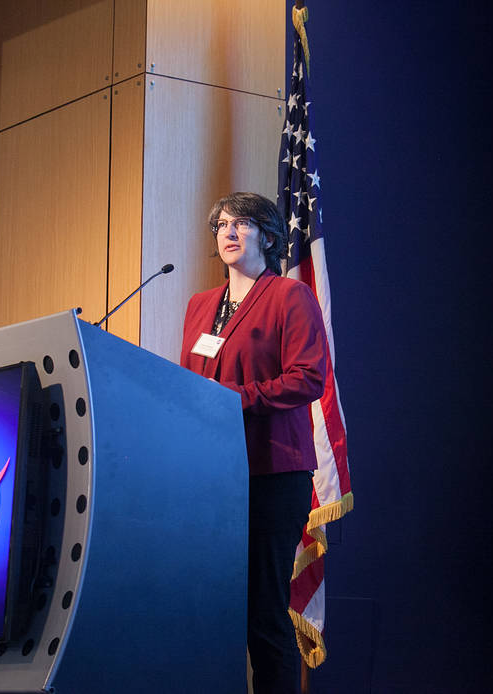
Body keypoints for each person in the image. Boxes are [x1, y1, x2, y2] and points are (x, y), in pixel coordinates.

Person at [180, 192, 328, 694]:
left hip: (272, 475)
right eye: (221, 223)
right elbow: (190, 385)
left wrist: (237, 399)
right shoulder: (200, 306)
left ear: (267, 234)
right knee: (215, 611)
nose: (228, 231)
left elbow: (310, 377)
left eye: (241, 223)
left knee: (264, 614)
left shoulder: (289, 296)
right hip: (213, 479)